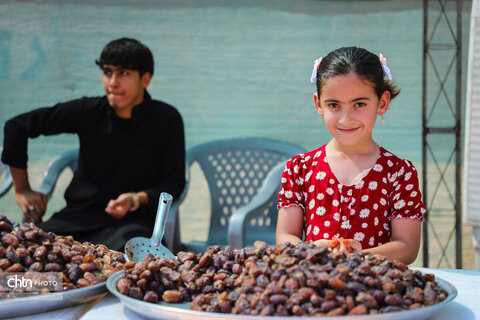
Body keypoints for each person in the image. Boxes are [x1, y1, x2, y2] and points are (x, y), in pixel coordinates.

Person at [1, 38, 186, 251]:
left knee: (130, 267)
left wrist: (135, 199)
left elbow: (174, 182)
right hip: (76, 218)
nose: (113, 82)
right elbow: (16, 126)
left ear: (145, 79)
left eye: (123, 73)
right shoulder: (88, 111)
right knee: (29, 251)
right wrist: (22, 189)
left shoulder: (167, 119)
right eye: (108, 72)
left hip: (133, 223)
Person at [276, 46, 425, 264]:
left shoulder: (399, 174)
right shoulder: (300, 169)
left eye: (359, 104)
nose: (346, 119)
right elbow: (284, 237)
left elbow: (407, 246)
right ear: (319, 105)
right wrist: (311, 250)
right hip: (311, 289)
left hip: (373, 291)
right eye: (334, 105)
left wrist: (360, 256)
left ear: (382, 103)